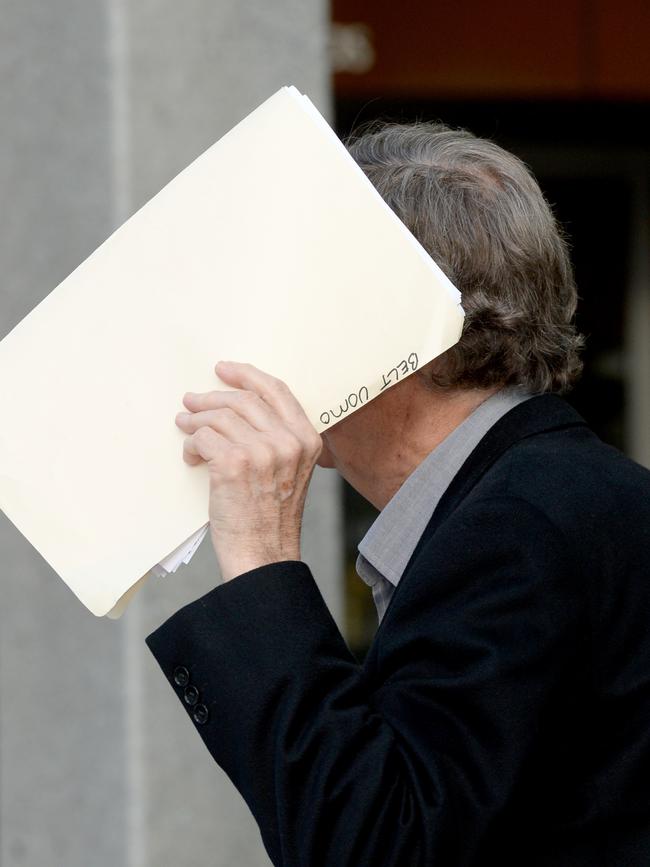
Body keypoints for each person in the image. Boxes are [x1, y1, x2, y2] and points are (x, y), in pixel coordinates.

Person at [145, 122, 650, 866]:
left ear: (381, 330)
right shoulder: (561, 495)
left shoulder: (516, 527)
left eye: (296, 309)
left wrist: (259, 553)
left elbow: (374, 846)